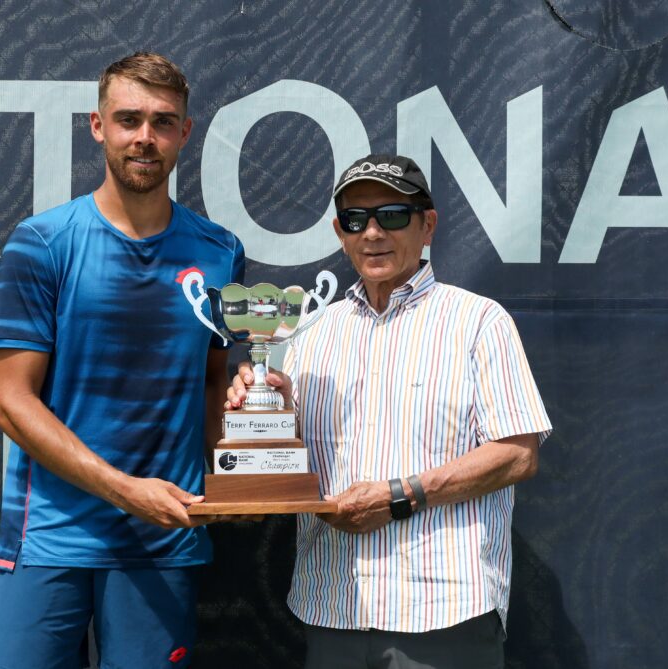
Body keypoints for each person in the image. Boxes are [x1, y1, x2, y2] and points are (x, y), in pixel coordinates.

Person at [228, 154, 552, 669]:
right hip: (334, 606)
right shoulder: (310, 333)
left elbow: (517, 455)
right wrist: (264, 412)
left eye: (393, 216)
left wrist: (399, 496)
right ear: (340, 232)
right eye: (356, 220)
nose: (373, 232)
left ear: (428, 225)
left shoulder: (479, 322)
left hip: (444, 611)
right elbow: (290, 469)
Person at [0, 52, 244, 669]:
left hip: (162, 543)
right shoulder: (42, 242)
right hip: (50, 537)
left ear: (185, 132)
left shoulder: (220, 252)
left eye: (162, 121)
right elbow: (11, 405)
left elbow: (213, 382)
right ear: (98, 126)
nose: (145, 138)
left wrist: (244, 459)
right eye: (129, 119)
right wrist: (126, 492)